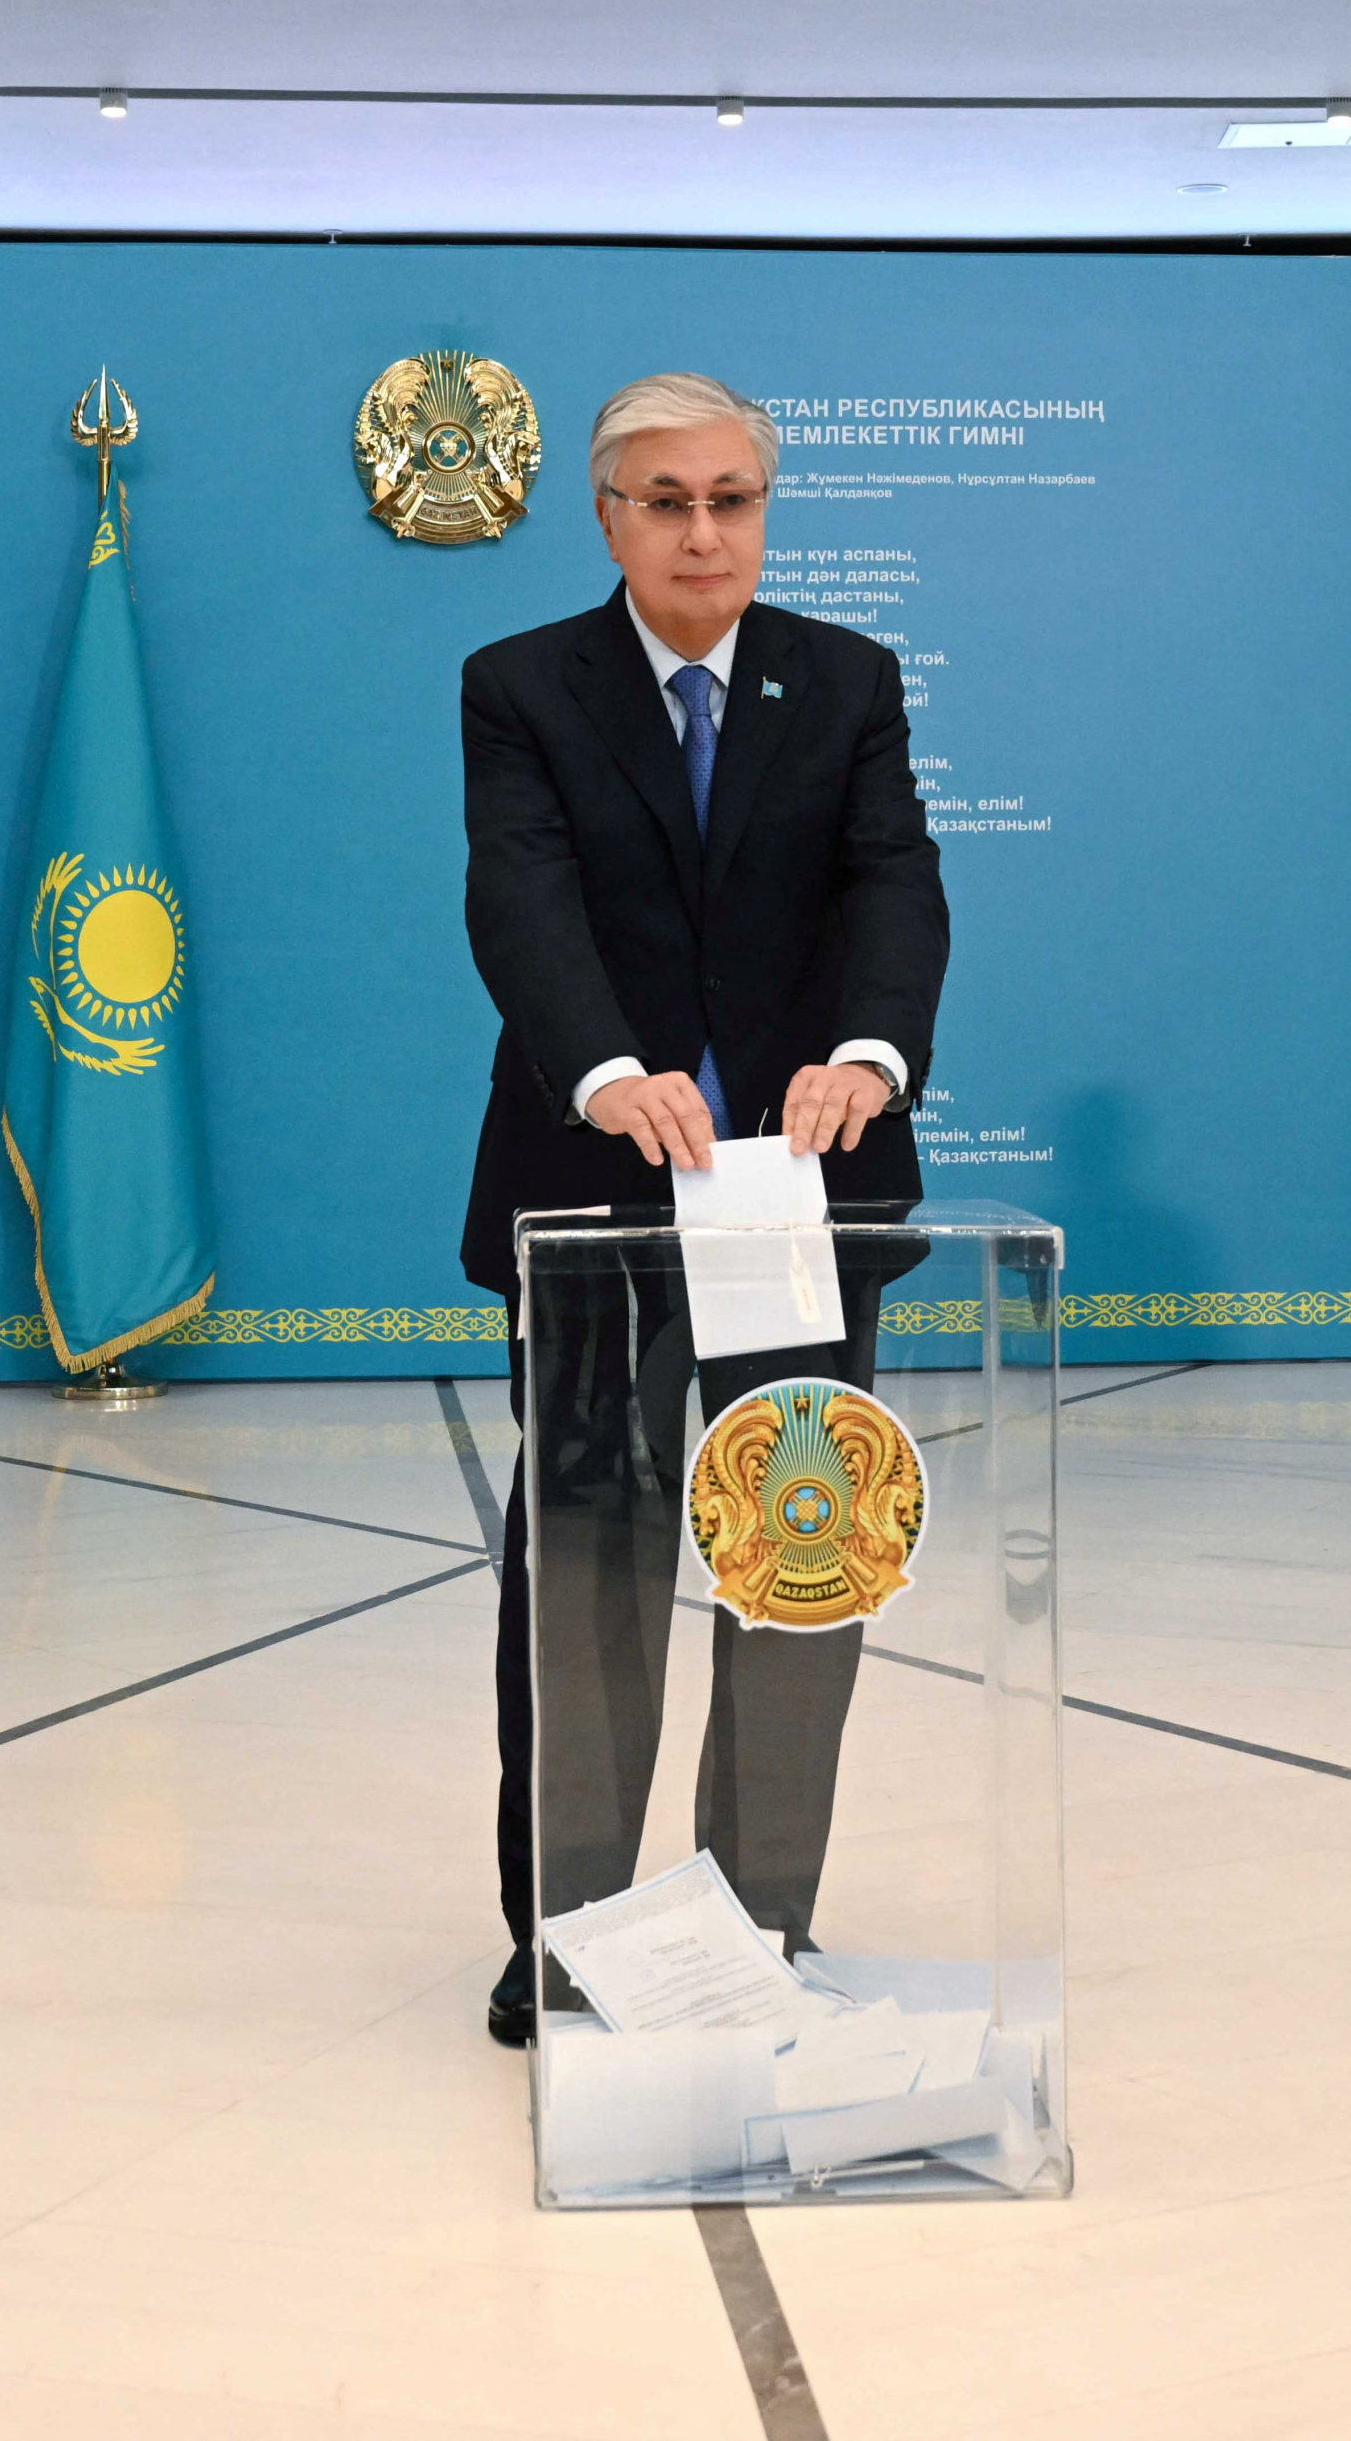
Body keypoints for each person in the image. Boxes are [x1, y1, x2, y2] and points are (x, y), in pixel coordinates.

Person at [458, 371, 947, 2045]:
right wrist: (602, 1070)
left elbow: (895, 879)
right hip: (596, 1209)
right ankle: (573, 1926)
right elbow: (520, 898)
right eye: (667, 500)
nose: (704, 530)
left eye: (733, 497)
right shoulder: (522, 687)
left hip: (810, 1212)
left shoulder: (850, 681)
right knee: (590, 1571)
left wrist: (870, 1058)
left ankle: (762, 1916)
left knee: (799, 1559)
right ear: (606, 514)